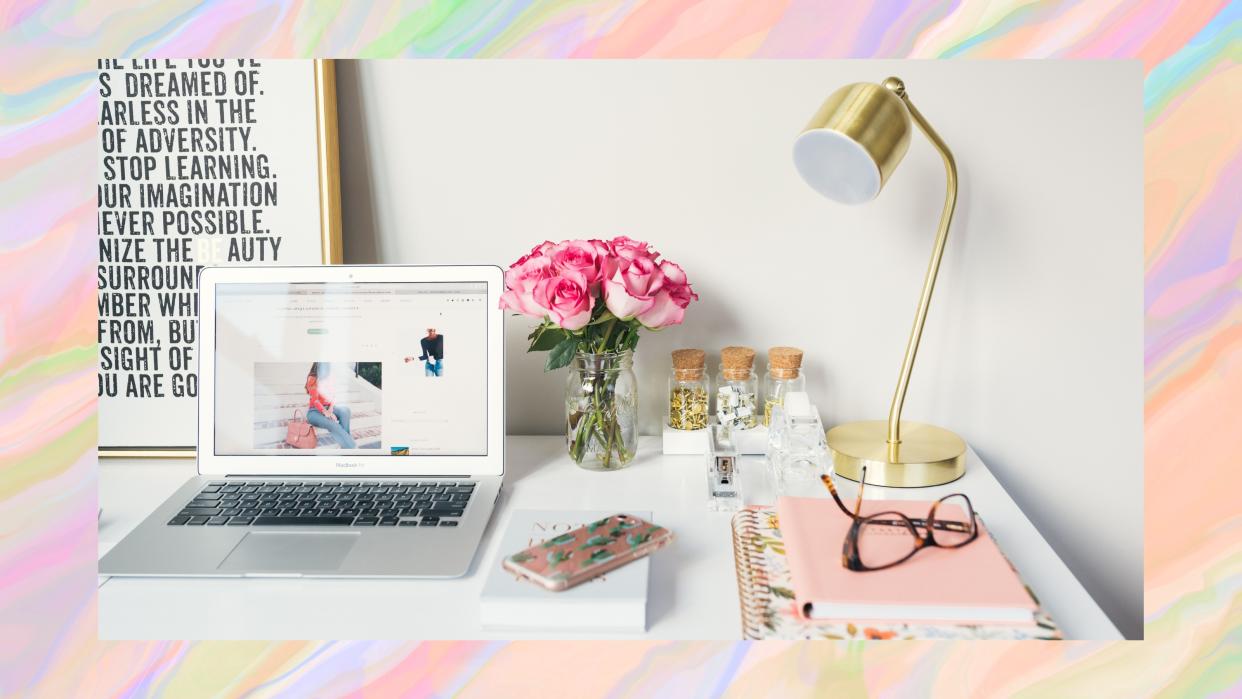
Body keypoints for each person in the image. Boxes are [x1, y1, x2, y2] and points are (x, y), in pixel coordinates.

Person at [304, 362, 356, 449]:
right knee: (333, 424)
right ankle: (351, 447)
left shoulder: (329, 378)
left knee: (345, 411)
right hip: (314, 411)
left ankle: (346, 445)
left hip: (328, 408)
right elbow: (315, 401)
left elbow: (334, 396)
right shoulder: (312, 378)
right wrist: (326, 413)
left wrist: (331, 409)